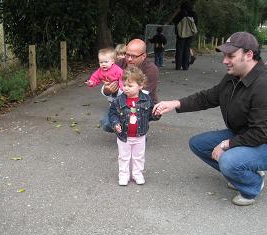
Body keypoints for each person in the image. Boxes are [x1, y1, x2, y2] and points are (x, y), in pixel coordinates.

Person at [153, 31, 267, 206]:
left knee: (228, 161)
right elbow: (208, 97)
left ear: (249, 55)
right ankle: (243, 173)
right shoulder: (233, 75)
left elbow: (260, 133)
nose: (225, 61)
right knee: (199, 144)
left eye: (231, 56)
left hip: (262, 141)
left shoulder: (262, 85)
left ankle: (252, 185)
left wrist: (226, 144)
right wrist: (175, 103)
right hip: (243, 134)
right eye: (224, 55)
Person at [109, 67, 160, 186]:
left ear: (140, 85)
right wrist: (115, 123)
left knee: (139, 156)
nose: (126, 88)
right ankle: (123, 174)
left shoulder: (146, 99)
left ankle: (137, 173)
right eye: (124, 85)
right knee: (123, 157)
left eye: (130, 86)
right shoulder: (118, 101)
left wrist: (157, 114)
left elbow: (151, 115)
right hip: (123, 135)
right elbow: (112, 114)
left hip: (140, 135)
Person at [100, 39, 159, 132]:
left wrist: (118, 90)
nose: (129, 59)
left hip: (144, 104)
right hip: (121, 102)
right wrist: (107, 90)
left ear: (143, 56)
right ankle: (129, 131)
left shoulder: (151, 69)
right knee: (106, 123)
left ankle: (140, 129)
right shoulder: (118, 63)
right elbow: (105, 86)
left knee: (133, 122)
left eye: (134, 56)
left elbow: (140, 95)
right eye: (127, 55)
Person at [173, 1, 198, 70]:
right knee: (187, 49)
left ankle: (178, 66)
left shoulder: (181, 13)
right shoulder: (193, 13)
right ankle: (185, 66)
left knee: (179, 49)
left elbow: (174, 20)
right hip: (190, 34)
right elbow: (195, 23)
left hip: (181, 34)